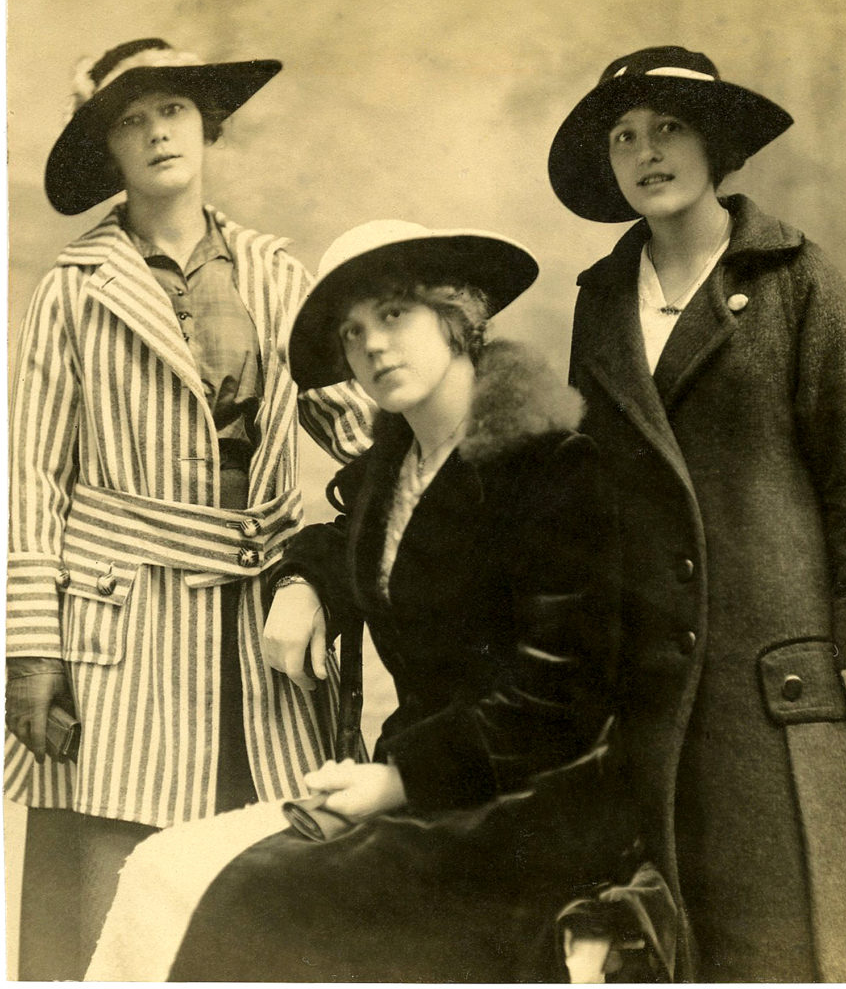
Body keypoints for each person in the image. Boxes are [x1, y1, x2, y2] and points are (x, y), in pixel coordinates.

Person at [86, 219, 677, 982]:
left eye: (394, 314)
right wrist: (300, 583)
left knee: (251, 903)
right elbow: (353, 539)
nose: (371, 346)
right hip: (436, 790)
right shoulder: (393, 466)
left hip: (542, 806)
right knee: (163, 869)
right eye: (352, 330)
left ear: (458, 314)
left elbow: (563, 694)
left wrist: (400, 779)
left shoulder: (553, 466)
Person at [5, 37, 373, 979]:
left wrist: (358, 441)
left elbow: (354, 424)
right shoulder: (74, 290)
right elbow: (33, 478)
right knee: (111, 892)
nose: (157, 132)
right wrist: (31, 646)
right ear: (109, 150)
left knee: (258, 878)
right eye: (131, 119)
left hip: (258, 625)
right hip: (122, 631)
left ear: (207, 127)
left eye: (172, 110)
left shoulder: (274, 275)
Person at [548, 45, 846, 981]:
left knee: (793, 944)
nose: (646, 152)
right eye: (622, 136)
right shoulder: (601, 303)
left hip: (775, 674)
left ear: (715, 143)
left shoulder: (794, 280)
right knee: (673, 940)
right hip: (650, 679)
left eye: (670, 128)